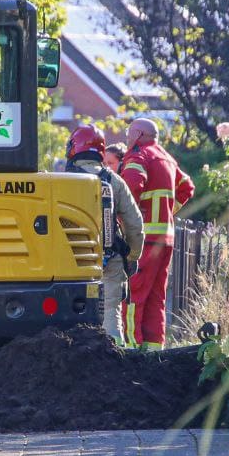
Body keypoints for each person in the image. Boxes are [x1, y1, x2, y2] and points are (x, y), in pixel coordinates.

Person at [64, 125, 144, 344]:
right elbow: (135, 225)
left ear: (73, 147)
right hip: (110, 260)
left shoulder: (59, 182)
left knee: (69, 317)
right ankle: (116, 365)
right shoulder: (114, 181)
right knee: (110, 316)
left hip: (70, 262)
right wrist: (132, 257)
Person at [119, 117, 194, 349]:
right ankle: (154, 351)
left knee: (133, 296)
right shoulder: (166, 157)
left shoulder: (138, 155)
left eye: (129, 134)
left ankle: (131, 349)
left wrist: (125, 221)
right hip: (166, 239)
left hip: (144, 240)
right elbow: (187, 187)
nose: (127, 138)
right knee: (155, 298)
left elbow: (129, 189)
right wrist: (165, 213)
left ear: (139, 135)